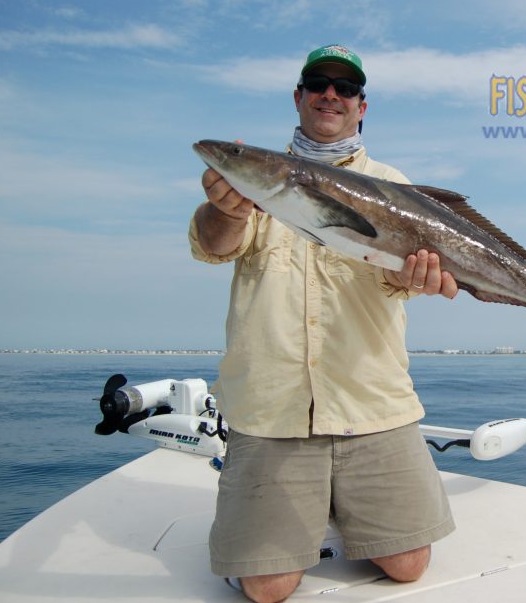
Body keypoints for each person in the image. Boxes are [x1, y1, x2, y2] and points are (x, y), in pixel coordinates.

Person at [189, 44, 458, 603]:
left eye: (346, 88)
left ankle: (330, 502)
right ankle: (298, 513)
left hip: (370, 401)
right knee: (267, 589)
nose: (330, 94)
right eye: (317, 84)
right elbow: (214, 246)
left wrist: (417, 279)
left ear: (363, 106)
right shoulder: (257, 184)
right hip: (274, 408)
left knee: (408, 566)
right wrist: (225, 209)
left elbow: (394, 281)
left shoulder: (391, 182)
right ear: (299, 98)